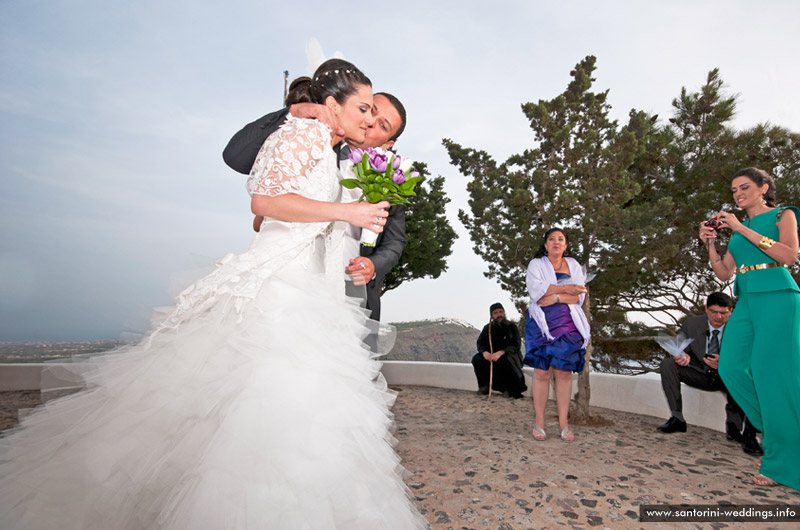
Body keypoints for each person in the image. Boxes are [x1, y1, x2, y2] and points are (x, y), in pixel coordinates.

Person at [0, 59, 427, 529]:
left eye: (378, 120)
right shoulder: (303, 131)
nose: (369, 121)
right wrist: (340, 209)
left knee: (309, 411)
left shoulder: (337, 153)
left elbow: (355, 228)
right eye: (365, 108)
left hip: (319, 290)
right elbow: (262, 205)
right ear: (332, 105)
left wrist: (352, 228)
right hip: (283, 288)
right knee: (270, 396)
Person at [225, 90, 408, 321]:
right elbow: (235, 156)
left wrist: (373, 264)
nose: (370, 122)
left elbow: (396, 240)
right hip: (294, 277)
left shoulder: (393, 179)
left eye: (382, 125)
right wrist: (292, 112)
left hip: (352, 289)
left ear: (388, 143)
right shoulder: (313, 141)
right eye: (370, 110)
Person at [700, 167, 800, 490]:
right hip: (746, 301)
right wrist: (711, 245)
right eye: (733, 190)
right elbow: (724, 273)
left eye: (744, 187)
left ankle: (779, 462)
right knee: (729, 366)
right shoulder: (737, 233)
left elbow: (788, 255)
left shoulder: (783, 215)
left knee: (769, 372)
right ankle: (776, 429)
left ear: (764, 188)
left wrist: (741, 228)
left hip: (778, 296)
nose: (738, 194)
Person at [656, 292, 763, 456]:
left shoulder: (741, 327)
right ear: (706, 309)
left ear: (731, 311)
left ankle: (738, 429)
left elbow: (754, 356)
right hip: (701, 374)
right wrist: (682, 357)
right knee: (668, 364)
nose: (718, 317)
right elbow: (682, 348)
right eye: (714, 312)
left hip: (729, 376)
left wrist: (726, 361)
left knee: (743, 375)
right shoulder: (691, 324)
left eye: (724, 313)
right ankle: (677, 418)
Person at [524, 228, 590, 442]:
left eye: (560, 239)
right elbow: (536, 291)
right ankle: (539, 422)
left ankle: (564, 423)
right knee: (542, 372)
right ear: (545, 245)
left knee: (563, 373)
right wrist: (567, 289)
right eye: (551, 239)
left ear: (566, 244)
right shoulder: (536, 265)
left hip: (568, 324)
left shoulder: (574, 266)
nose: (556, 242)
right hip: (541, 324)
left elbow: (578, 297)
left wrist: (555, 297)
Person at [471, 302, 527, 399]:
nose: (499, 315)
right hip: (492, 355)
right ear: (492, 316)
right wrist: (485, 352)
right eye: (496, 313)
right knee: (477, 358)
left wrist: (501, 352)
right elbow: (480, 343)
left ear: (504, 313)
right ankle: (484, 386)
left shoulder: (511, 326)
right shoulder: (487, 328)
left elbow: (516, 344)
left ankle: (508, 389)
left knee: (505, 360)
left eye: (501, 312)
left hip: (510, 355)